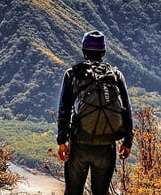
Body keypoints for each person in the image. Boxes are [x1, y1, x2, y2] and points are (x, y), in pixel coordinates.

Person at [57, 30, 133, 195]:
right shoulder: (115, 75)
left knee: (73, 192)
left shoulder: (73, 74)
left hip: (79, 144)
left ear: (84, 52)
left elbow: (64, 110)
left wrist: (62, 141)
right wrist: (128, 141)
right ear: (103, 52)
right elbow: (126, 109)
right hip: (106, 146)